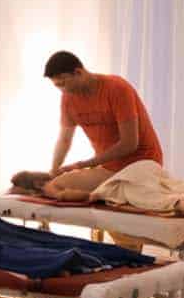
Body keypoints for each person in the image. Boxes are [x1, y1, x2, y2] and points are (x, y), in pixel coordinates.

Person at [11, 51, 164, 201]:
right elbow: (64, 140)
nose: (62, 90)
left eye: (63, 83)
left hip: (142, 164)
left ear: (78, 72)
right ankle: (60, 186)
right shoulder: (68, 99)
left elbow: (129, 144)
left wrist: (82, 165)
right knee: (55, 184)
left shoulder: (117, 88)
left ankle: (86, 193)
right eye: (57, 86)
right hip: (109, 168)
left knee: (57, 186)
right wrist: (54, 171)